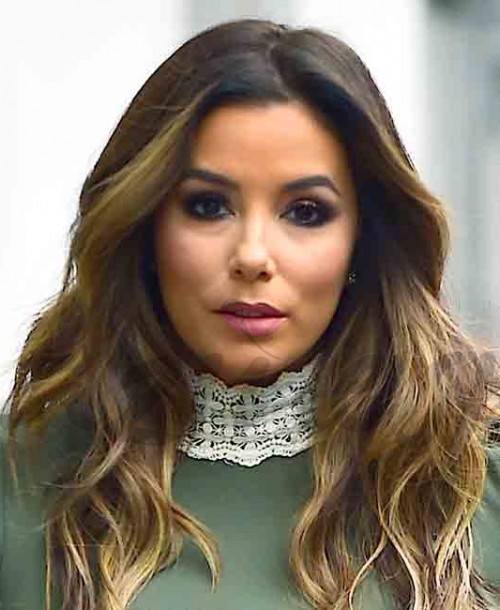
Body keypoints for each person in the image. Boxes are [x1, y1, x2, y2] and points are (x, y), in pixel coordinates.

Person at [1, 17, 500, 610]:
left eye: (306, 212)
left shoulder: (470, 475)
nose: (253, 256)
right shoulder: (24, 481)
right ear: (145, 226)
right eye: (208, 206)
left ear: (363, 241)